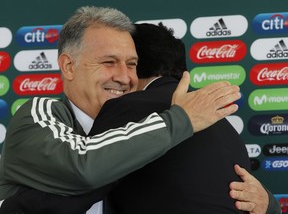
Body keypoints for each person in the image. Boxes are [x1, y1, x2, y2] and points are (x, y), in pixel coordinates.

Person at [0, 21, 280, 214]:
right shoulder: (42, 113)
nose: (123, 76)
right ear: (69, 67)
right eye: (109, 62)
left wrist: (266, 201)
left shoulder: (142, 111)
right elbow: (88, 168)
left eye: (131, 64)